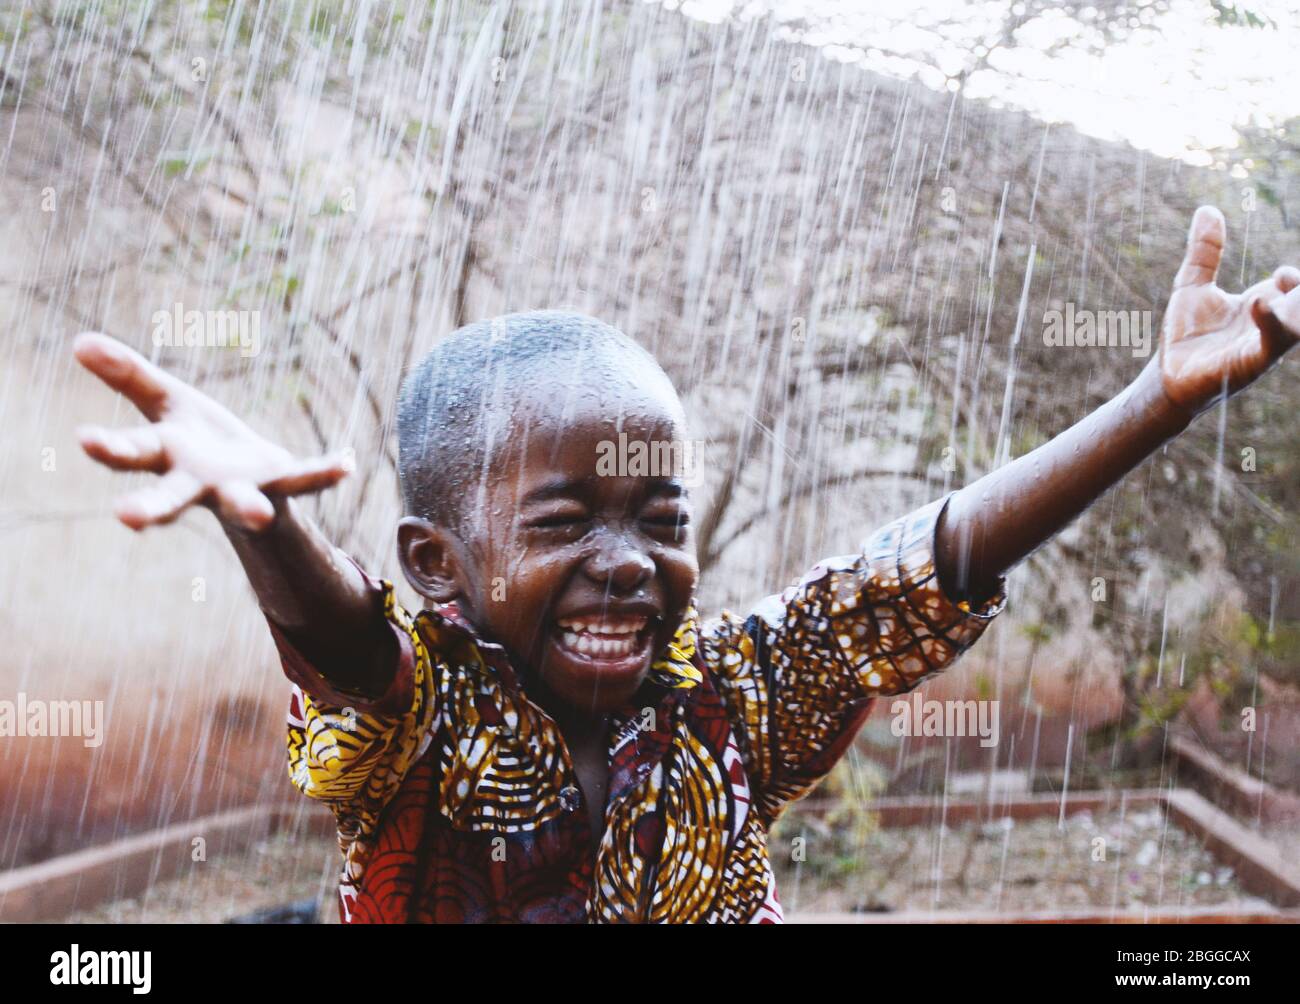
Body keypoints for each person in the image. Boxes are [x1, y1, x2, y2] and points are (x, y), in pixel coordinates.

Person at [73, 208, 1299, 922]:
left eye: (659, 519)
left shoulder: (732, 699)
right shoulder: (430, 714)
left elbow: (928, 561)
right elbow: (352, 654)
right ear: (437, 565)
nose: (628, 565)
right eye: (563, 525)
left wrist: (1154, 399)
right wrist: (265, 527)